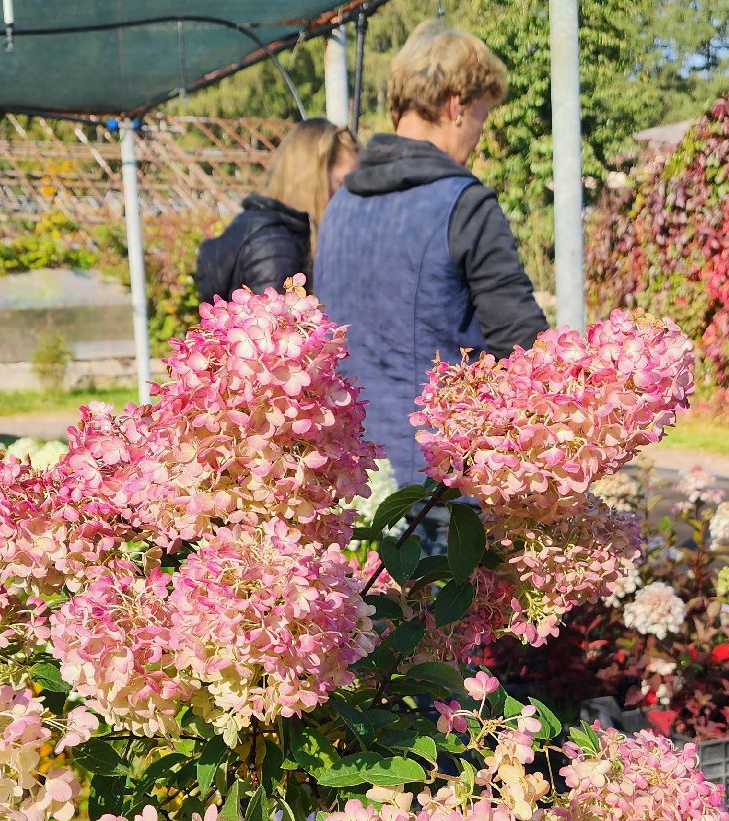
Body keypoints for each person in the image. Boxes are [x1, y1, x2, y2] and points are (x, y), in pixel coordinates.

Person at [313, 19, 548, 484]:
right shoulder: (465, 203)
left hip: (347, 471)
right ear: (456, 104)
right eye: (482, 114)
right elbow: (522, 347)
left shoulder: (340, 202)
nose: (479, 134)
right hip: (438, 480)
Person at [196, 118, 359, 301]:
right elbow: (275, 327)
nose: (351, 197)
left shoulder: (278, 232)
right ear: (313, 180)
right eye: (343, 184)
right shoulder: (274, 247)